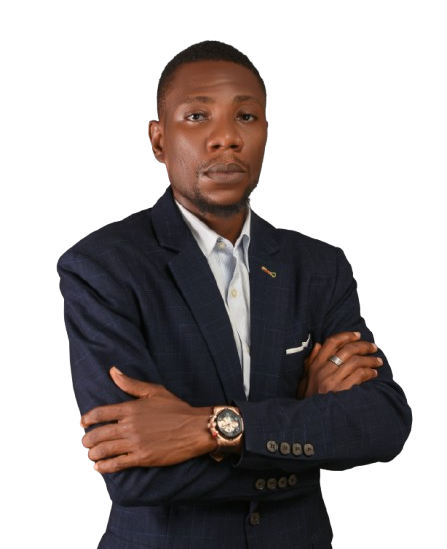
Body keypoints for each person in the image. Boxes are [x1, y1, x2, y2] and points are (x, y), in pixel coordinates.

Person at [57, 40, 412, 549]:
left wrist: (212, 429)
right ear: (158, 140)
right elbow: (135, 474)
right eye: (197, 116)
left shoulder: (319, 266)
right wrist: (304, 431)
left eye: (246, 116)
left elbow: (383, 423)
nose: (226, 137)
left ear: (266, 132)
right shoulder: (102, 266)